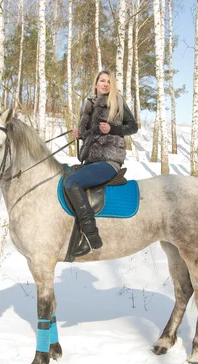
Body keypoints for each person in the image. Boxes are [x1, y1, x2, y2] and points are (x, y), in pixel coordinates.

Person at [64, 70, 138, 257]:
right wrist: (81, 135)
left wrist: (112, 128)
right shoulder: (89, 104)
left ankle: (91, 237)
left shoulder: (117, 101)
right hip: (91, 160)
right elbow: (92, 135)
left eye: (109, 82)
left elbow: (133, 126)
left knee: (72, 182)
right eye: (102, 81)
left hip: (110, 160)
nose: (105, 84)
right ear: (96, 83)